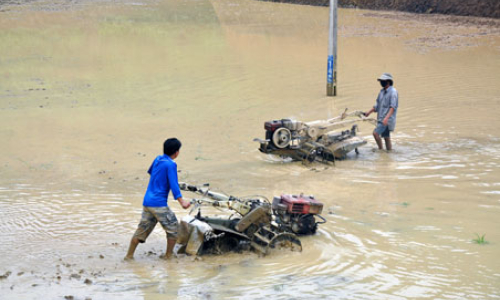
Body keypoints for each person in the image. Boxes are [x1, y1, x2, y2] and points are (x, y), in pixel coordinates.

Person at [125, 138, 191, 261]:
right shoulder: (171, 164)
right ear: (176, 152)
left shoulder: (157, 159)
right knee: (173, 228)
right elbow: (174, 185)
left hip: (147, 202)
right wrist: (182, 202)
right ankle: (168, 256)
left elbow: (151, 172)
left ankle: (128, 256)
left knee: (141, 231)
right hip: (159, 204)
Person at [364, 73, 399, 151]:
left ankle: (380, 150)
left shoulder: (393, 92)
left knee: (375, 134)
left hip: (386, 120)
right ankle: (389, 153)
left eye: (383, 81)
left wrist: (386, 118)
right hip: (381, 119)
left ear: (388, 81)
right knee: (386, 137)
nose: (381, 82)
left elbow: (392, 107)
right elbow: (377, 105)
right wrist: (369, 112)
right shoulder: (382, 92)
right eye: (381, 81)